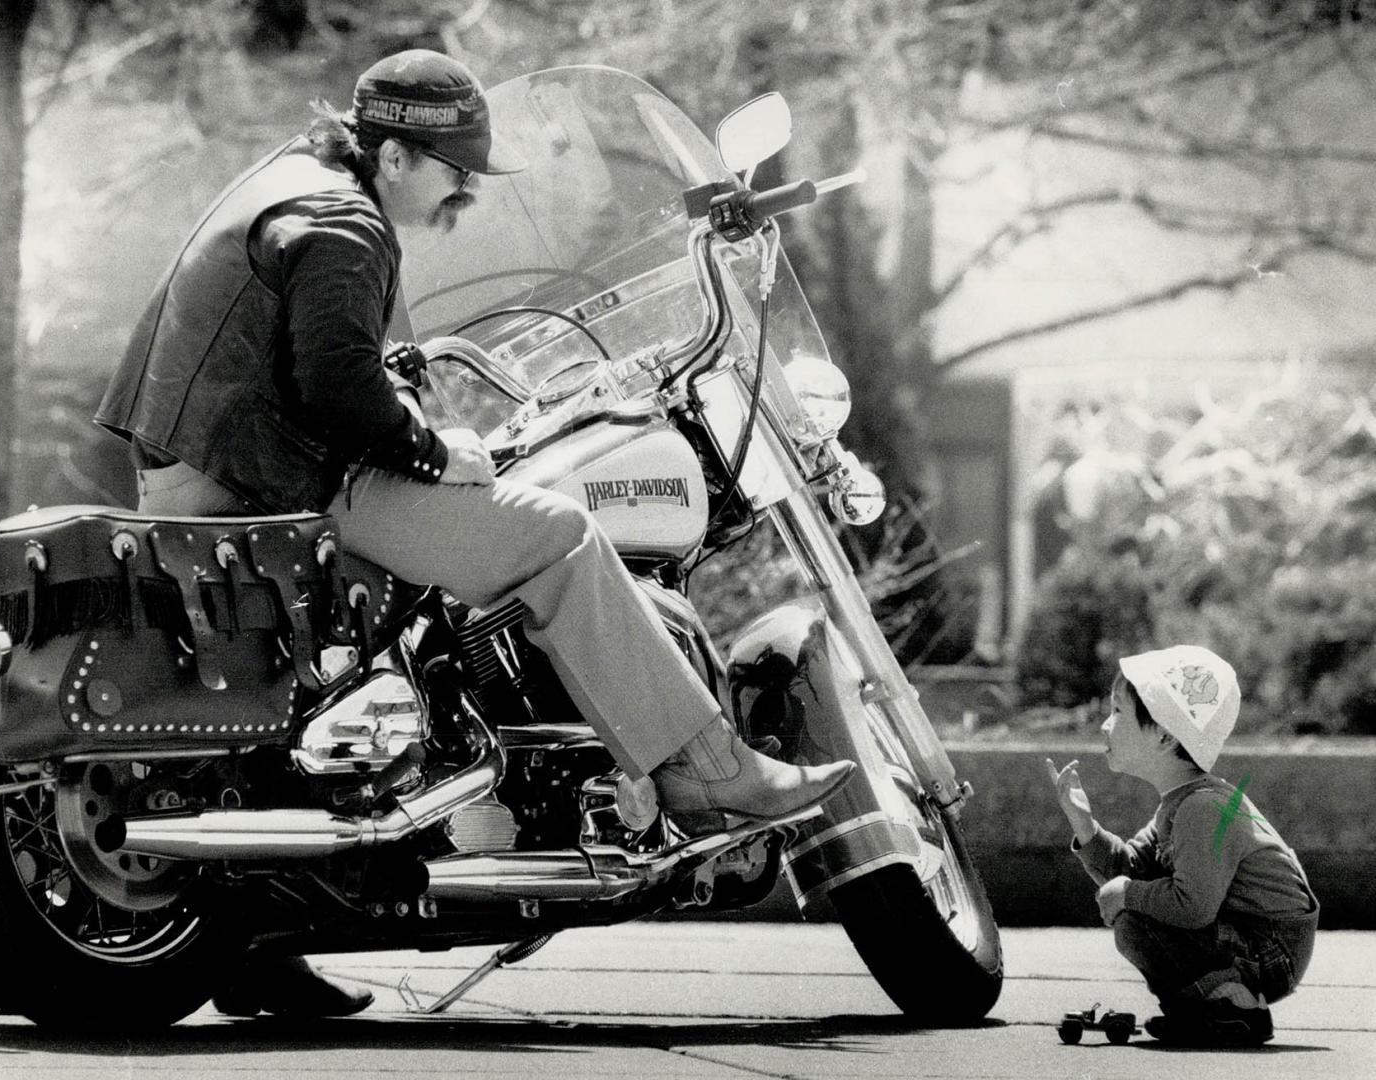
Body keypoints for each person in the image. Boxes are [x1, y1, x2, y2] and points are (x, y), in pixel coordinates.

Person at [89, 49, 855, 1018]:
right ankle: (710, 772)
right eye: (455, 171)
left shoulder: (291, 181)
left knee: (336, 673)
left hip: (201, 470)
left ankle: (254, 944)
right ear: (398, 154)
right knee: (560, 538)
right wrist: (428, 448)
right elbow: (334, 383)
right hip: (272, 478)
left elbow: (324, 359)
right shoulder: (344, 220)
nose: (462, 196)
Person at [1044, 645, 1318, 1047]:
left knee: (1136, 923)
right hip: (1251, 942)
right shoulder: (1179, 804)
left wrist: (1129, 893)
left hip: (1271, 951)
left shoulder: (1202, 808)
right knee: (1135, 911)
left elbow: (1192, 907)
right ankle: (1211, 1008)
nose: (1105, 724)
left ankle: (1234, 1007)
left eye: (1118, 712)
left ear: (1164, 734)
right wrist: (1083, 824)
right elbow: (1130, 868)